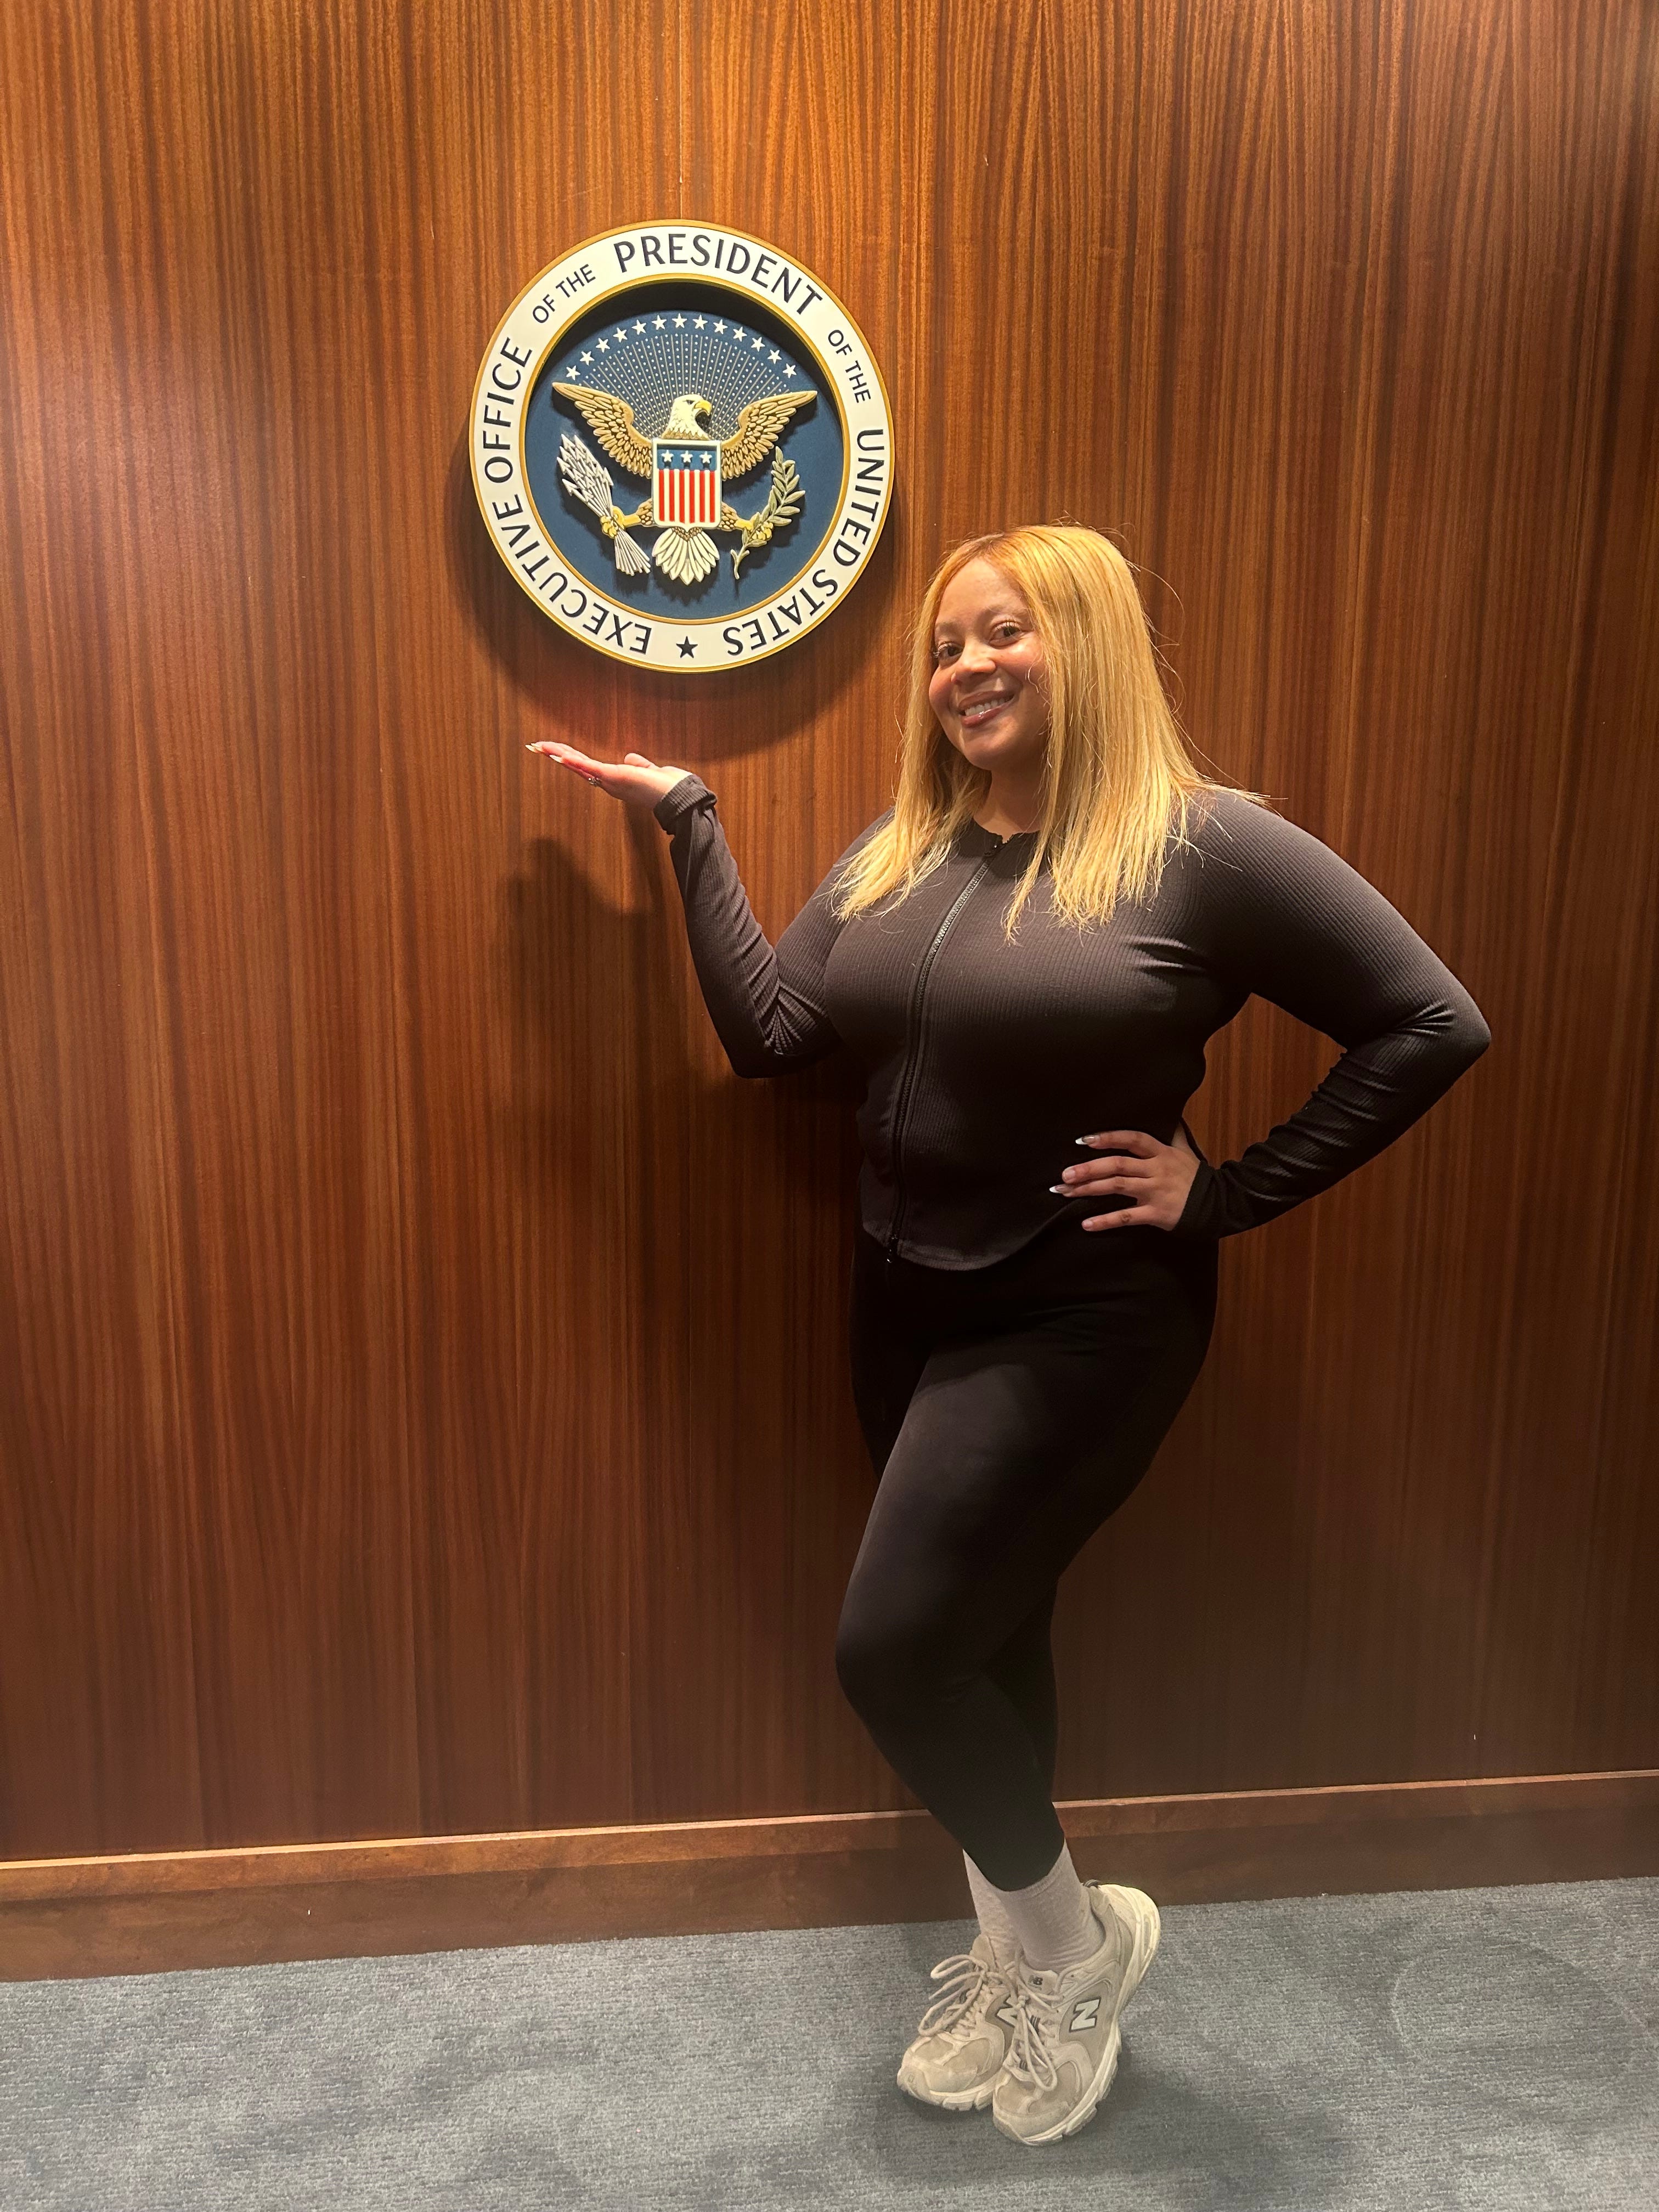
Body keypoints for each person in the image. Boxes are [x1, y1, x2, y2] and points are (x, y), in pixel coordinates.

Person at [528, 523, 1491, 2148]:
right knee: (980, 1640)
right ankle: (1017, 1956)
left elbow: (1432, 1021)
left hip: (1081, 1312)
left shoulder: (1203, 844)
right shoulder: (906, 845)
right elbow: (773, 1035)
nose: (966, 668)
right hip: (901, 1301)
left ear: (1087, 641)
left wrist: (1230, 1191)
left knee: (892, 1652)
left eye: (1003, 633)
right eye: (944, 646)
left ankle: (1073, 1943)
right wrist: (691, 821)